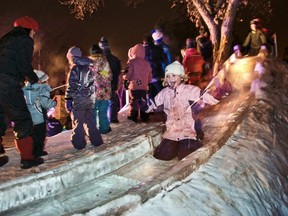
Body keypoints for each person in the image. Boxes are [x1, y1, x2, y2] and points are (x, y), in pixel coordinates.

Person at [141, 61, 219, 161]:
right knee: (161, 155)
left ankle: (196, 140)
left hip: (187, 131)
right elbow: (153, 104)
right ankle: (174, 147)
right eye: (168, 76)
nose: (170, 79)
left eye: (174, 75)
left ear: (181, 77)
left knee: (186, 156)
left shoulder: (189, 90)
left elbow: (204, 96)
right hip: (172, 132)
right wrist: (144, 105)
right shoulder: (164, 93)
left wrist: (215, 94)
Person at [0, 16, 45, 169]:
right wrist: (34, 79)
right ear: (30, 30)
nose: (34, 35)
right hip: (7, 83)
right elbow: (23, 64)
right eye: (34, 32)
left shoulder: (5, 40)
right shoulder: (24, 40)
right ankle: (27, 157)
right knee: (22, 118)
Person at [65, 46, 103, 150]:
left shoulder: (75, 68)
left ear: (71, 57)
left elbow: (72, 86)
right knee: (89, 121)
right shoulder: (90, 67)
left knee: (78, 122)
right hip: (89, 98)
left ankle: (79, 144)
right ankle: (97, 140)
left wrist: (68, 99)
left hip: (78, 100)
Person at [22, 69, 57, 157]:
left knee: (33, 135)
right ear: (40, 80)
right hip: (39, 116)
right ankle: (38, 152)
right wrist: (54, 103)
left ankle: (33, 151)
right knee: (41, 135)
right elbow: (45, 102)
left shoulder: (26, 89)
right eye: (45, 80)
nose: (46, 82)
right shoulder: (41, 89)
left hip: (30, 116)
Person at [123, 44, 152, 122]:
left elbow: (128, 73)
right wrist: (148, 82)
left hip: (134, 85)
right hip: (144, 86)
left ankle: (133, 115)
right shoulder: (146, 63)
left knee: (134, 100)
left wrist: (125, 78)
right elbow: (150, 75)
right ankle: (145, 115)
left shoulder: (131, 62)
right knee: (143, 100)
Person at [89, 44, 112, 134]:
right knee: (103, 111)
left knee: (92, 113)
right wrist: (101, 72)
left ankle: (92, 131)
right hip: (104, 91)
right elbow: (109, 76)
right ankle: (104, 128)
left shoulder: (87, 62)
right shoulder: (104, 61)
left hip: (91, 92)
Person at [98, 37, 122, 123]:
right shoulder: (115, 59)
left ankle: (102, 119)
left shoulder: (100, 59)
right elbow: (118, 71)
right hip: (113, 83)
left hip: (102, 84)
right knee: (113, 101)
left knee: (102, 102)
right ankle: (113, 118)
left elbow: (98, 71)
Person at [143, 34, 166, 99]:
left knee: (150, 95)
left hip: (147, 76)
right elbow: (164, 59)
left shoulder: (142, 51)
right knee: (161, 93)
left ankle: (151, 107)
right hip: (157, 75)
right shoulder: (158, 49)